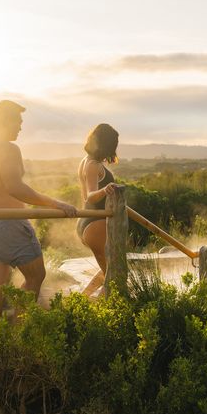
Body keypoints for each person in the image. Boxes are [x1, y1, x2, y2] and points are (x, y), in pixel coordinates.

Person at [0, 99, 77, 324]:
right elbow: (14, 187)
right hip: (9, 225)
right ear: (5, 121)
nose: (20, 127)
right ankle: (21, 335)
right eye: (17, 122)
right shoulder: (7, 148)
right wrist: (54, 203)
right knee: (36, 276)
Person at [76, 123, 120, 295]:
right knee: (114, 276)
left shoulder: (85, 161)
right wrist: (106, 189)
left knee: (108, 272)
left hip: (87, 222)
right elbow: (90, 195)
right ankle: (102, 309)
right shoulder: (93, 164)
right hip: (96, 224)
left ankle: (83, 299)